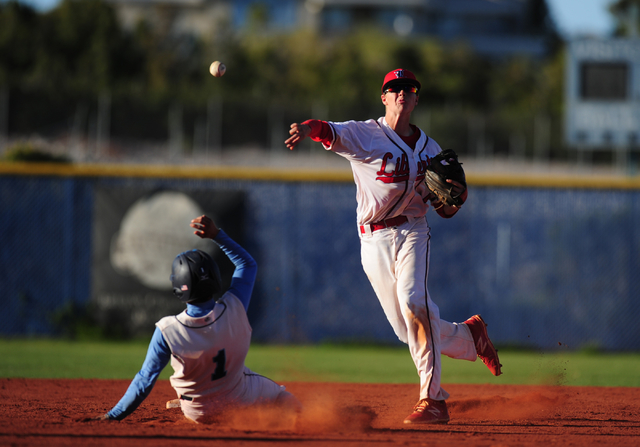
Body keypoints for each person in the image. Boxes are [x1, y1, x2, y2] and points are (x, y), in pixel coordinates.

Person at [285, 68, 502, 425]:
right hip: (372, 239)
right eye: (394, 88)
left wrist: (453, 201)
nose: (402, 92)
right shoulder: (365, 134)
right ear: (384, 97)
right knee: (407, 330)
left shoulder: (430, 149)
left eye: (409, 88)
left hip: (413, 231)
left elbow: (445, 210)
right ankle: (468, 335)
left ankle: (432, 400)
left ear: (416, 99)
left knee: (415, 303)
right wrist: (307, 128)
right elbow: (328, 130)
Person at [93, 214, 301, 424]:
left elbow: (144, 380)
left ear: (178, 286)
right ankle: (301, 420)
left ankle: (189, 400)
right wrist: (216, 235)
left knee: (193, 380)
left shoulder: (167, 330)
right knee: (279, 395)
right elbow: (247, 264)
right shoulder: (234, 307)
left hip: (197, 411)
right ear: (215, 279)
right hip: (238, 400)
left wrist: (113, 415)